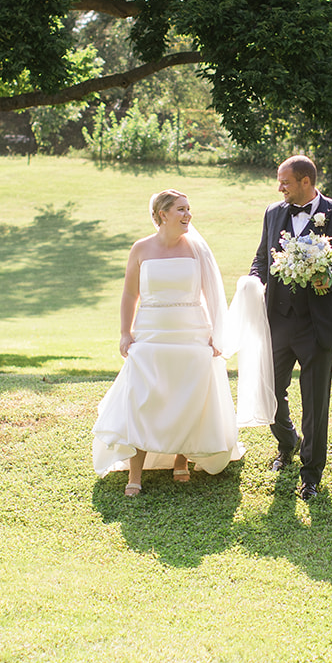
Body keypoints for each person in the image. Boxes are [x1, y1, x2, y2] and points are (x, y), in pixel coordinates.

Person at [92, 190, 245, 496]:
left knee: (188, 396)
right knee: (142, 398)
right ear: (162, 214)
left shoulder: (196, 249)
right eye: (180, 209)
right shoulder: (141, 249)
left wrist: (216, 335)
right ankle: (135, 473)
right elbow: (129, 295)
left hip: (191, 332)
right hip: (150, 333)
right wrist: (126, 333)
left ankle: (181, 459)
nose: (188, 215)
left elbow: (212, 296)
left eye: (189, 209)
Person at [249, 155, 332, 501]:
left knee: (315, 402)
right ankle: (287, 442)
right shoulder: (273, 213)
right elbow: (262, 257)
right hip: (279, 320)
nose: (279, 187)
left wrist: (328, 279)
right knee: (269, 390)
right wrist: (254, 282)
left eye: (285, 181)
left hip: (319, 326)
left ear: (306, 181)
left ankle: (311, 474)